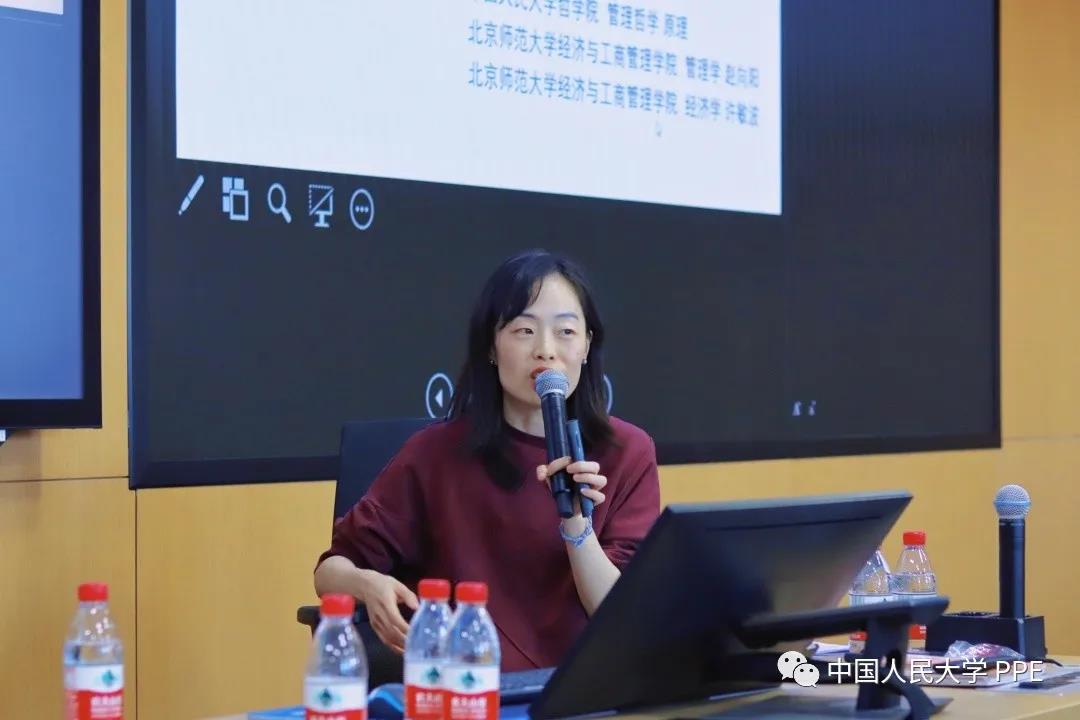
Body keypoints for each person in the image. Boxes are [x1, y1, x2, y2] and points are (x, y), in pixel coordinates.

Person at [314, 249, 661, 671]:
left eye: (566, 331)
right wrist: (367, 585)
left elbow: (620, 618)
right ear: (491, 347)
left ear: (587, 345)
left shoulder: (627, 452)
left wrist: (576, 524)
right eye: (524, 330)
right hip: (464, 687)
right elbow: (329, 572)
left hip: (583, 690)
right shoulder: (435, 454)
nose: (546, 350)